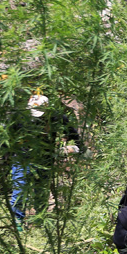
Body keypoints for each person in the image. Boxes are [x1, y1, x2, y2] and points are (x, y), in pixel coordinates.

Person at [9, 93, 85, 227]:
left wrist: (81, 147)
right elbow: (8, 135)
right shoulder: (21, 117)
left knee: (41, 192)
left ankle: (40, 221)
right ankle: (17, 223)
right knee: (19, 193)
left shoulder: (55, 117)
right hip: (22, 159)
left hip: (44, 160)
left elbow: (71, 131)